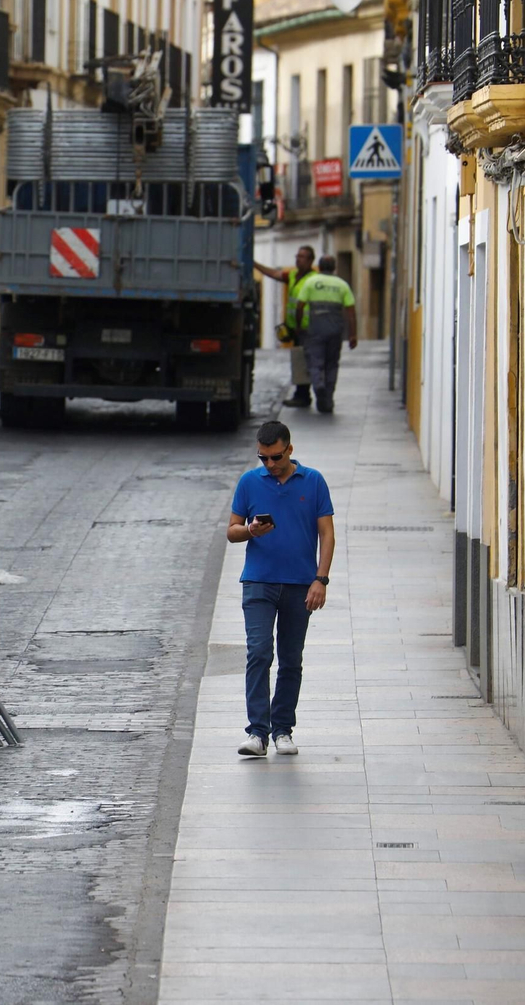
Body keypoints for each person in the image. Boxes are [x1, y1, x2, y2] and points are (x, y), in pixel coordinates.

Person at [226, 420, 336, 756]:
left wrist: (321, 579)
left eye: (275, 457)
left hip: (300, 585)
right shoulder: (249, 482)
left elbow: (327, 534)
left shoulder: (313, 481)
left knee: (291, 659)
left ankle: (282, 729)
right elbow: (231, 531)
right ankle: (257, 731)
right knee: (258, 652)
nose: (270, 465)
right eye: (263, 458)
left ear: (289, 449)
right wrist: (251, 531)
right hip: (258, 580)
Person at [287, 255, 358, 415]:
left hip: (315, 329)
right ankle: (328, 398)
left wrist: (298, 326)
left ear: (319, 266)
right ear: (334, 268)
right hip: (335, 329)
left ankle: (318, 385)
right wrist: (353, 335)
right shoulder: (342, 284)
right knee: (332, 363)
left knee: (315, 360)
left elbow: (300, 306)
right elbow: (351, 312)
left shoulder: (311, 283)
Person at [253, 246, 317, 408]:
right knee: (298, 360)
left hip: (308, 329)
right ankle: (301, 393)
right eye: (297, 256)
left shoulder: (314, 279)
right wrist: (255, 264)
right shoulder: (294, 275)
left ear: (310, 260)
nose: (298, 259)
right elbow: (274, 274)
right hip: (295, 328)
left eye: (302, 257)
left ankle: (303, 394)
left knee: (304, 361)